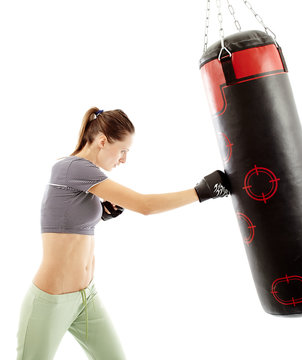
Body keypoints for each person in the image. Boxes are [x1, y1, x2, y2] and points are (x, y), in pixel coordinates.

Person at [16, 107, 231, 360]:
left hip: (86, 298)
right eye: (122, 151)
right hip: (51, 301)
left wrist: (101, 214)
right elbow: (144, 205)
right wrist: (203, 191)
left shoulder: (85, 179)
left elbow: (66, 221)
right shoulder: (72, 168)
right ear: (102, 141)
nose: (123, 159)